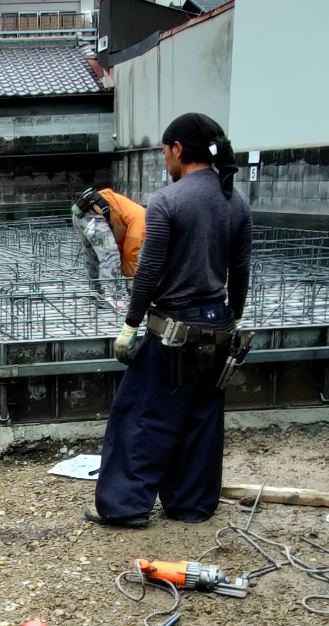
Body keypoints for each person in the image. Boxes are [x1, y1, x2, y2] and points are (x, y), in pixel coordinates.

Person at [90, 113, 252, 527]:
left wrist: (130, 324)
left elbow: (149, 272)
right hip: (216, 326)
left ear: (178, 149)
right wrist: (232, 318)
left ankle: (125, 505)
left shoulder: (169, 200)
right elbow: (241, 268)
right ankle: (191, 505)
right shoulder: (235, 201)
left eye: (164, 152)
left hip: (173, 330)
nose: (165, 160)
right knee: (201, 416)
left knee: (142, 414)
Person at [72, 185, 146, 284]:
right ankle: (114, 296)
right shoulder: (140, 220)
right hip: (93, 215)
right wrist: (130, 278)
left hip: (82, 213)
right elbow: (130, 252)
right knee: (111, 255)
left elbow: (122, 246)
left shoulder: (133, 215)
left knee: (91, 254)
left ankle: (95, 290)